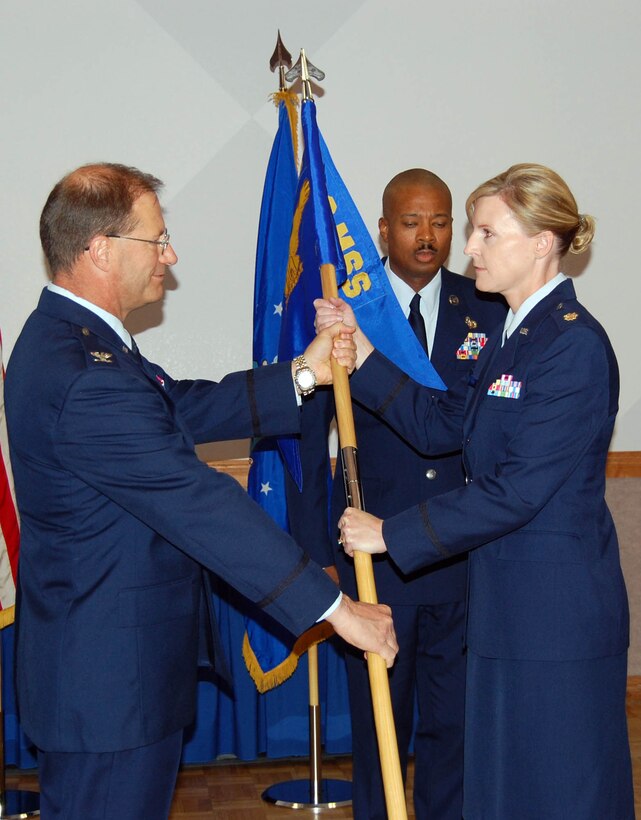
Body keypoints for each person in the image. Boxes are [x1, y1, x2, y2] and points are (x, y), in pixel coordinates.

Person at [4, 162, 398, 820]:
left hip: (112, 681)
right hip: (107, 695)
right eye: (156, 240)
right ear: (100, 248)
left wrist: (300, 374)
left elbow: (175, 411)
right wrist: (338, 610)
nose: (171, 255)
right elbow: (200, 503)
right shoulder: (81, 372)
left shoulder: (82, 348)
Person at [318, 163, 635, 819]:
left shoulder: (570, 346)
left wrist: (390, 533)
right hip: (503, 606)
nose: (468, 248)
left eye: (487, 233)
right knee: (505, 787)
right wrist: (360, 355)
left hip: (552, 615)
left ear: (542, 241)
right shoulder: (511, 337)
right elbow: (441, 425)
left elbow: (517, 489)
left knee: (559, 786)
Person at [287, 168, 505, 819]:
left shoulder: (485, 306)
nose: (427, 235)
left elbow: (465, 426)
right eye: (410, 221)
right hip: (371, 562)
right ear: (381, 229)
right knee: (380, 731)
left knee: (452, 730)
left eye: (439, 221)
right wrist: (310, 553)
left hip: (460, 556)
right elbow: (305, 443)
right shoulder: (346, 311)